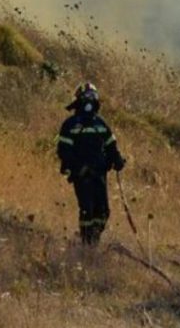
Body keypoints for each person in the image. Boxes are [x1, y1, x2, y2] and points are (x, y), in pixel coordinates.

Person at [56, 82, 125, 246]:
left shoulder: (100, 124)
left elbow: (111, 145)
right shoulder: (70, 124)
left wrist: (117, 159)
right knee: (87, 209)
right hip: (81, 174)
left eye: (93, 96)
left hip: (99, 173)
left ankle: (94, 239)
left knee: (103, 211)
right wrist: (75, 168)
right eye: (86, 96)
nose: (89, 100)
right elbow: (64, 150)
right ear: (79, 99)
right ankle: (87, 243)